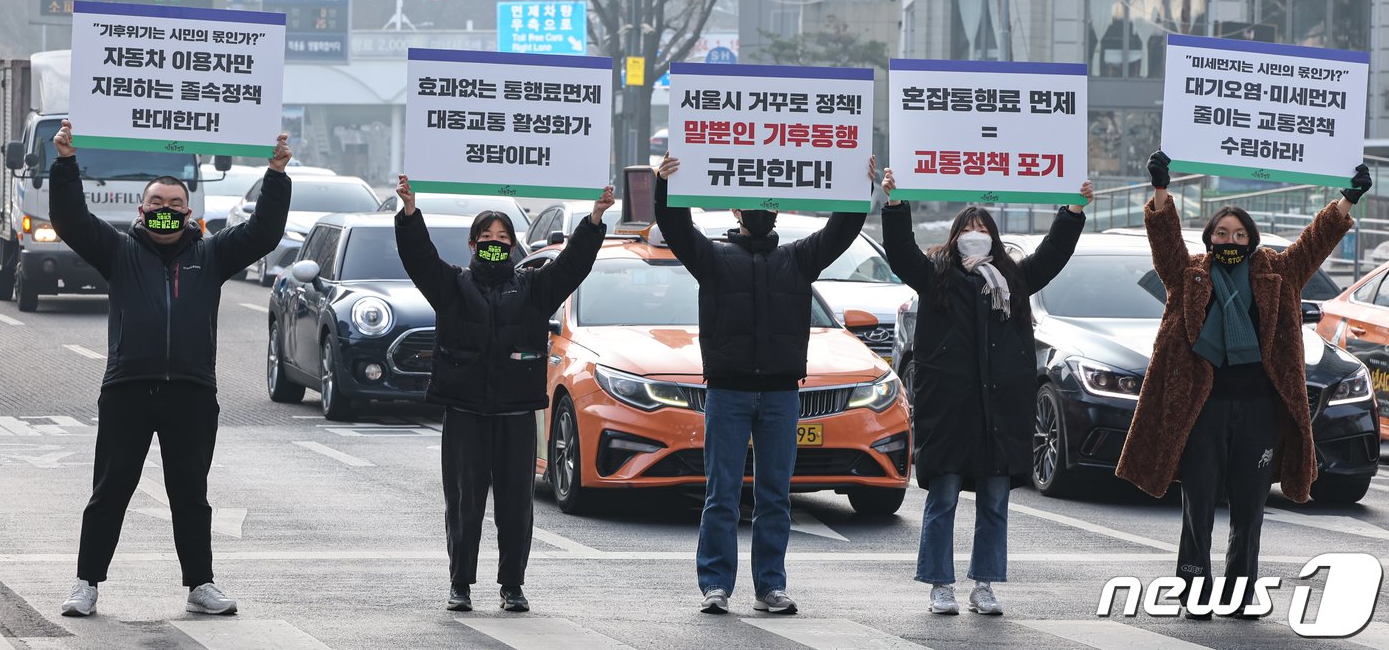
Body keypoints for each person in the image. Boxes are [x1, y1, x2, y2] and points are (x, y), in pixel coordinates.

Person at [52, 120, 293, 618]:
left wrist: (275, 173)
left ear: (190, 213)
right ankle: (86, 584)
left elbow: (265, 232)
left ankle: (200, 585)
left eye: (175, 205)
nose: (166, 211)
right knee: (111, 489)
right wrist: (66, 163)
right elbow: (71, 220)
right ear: (141, 211)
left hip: (192, 392)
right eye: (157, 204)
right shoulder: (118, 252)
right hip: (127, 390)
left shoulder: (213, 253)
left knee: (190, 493)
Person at [1117, 152, 1369, 618]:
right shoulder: (1189, 275)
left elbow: (1315, 241)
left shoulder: (1280, 273)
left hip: (1259, 411)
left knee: (1250, 508)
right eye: (1221, 233)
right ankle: (1194, 589)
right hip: (1201, 410)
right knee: (1198, 506)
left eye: (1238, 234)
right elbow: (1165, 241)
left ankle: (1240, 591)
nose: (1230, 240)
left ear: (1251, 239)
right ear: (1209, 238)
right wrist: (1160, 190)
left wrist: (1347, 200)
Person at [654, 152, 873, 617]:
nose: (760, 210)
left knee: (776, 496)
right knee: (722, 494)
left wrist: (860, 186)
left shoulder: (797, 260)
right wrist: (664, 185)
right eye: (751, 203)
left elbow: (842, 229)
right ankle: (715, 585)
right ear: (735, 212)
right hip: (728, 393)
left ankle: (770, 586)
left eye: (767, 203)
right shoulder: (712, 259)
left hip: (780, 394)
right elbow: (675, 228)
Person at [394, 175, 612, 613]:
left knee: (516, 507)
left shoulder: (532, 288)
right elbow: (419, 257)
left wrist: (594, 219)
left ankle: (512, 586)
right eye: (487, 237)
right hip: (465, 412)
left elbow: (572, 265)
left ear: (513, 246)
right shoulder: (452, 287)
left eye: (503, 237)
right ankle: (461, 585)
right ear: (473, 245)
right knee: (463, 504)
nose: (495, 243)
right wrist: (410, 212)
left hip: (515, 414)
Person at [881, 169, 1092, 617]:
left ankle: (985, 585)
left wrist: (1072, 212)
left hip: (1000, 413)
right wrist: (896, 204)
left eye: (982, 232)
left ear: (994, 239)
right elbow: (900, 251)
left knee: (995, 502)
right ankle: (940, 584)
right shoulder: (934, 277)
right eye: (967, 232)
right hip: (950, 413)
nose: (973, 238)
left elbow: (1052, 255)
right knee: (943, 499)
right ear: (954, 238)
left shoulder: (1014, 281)